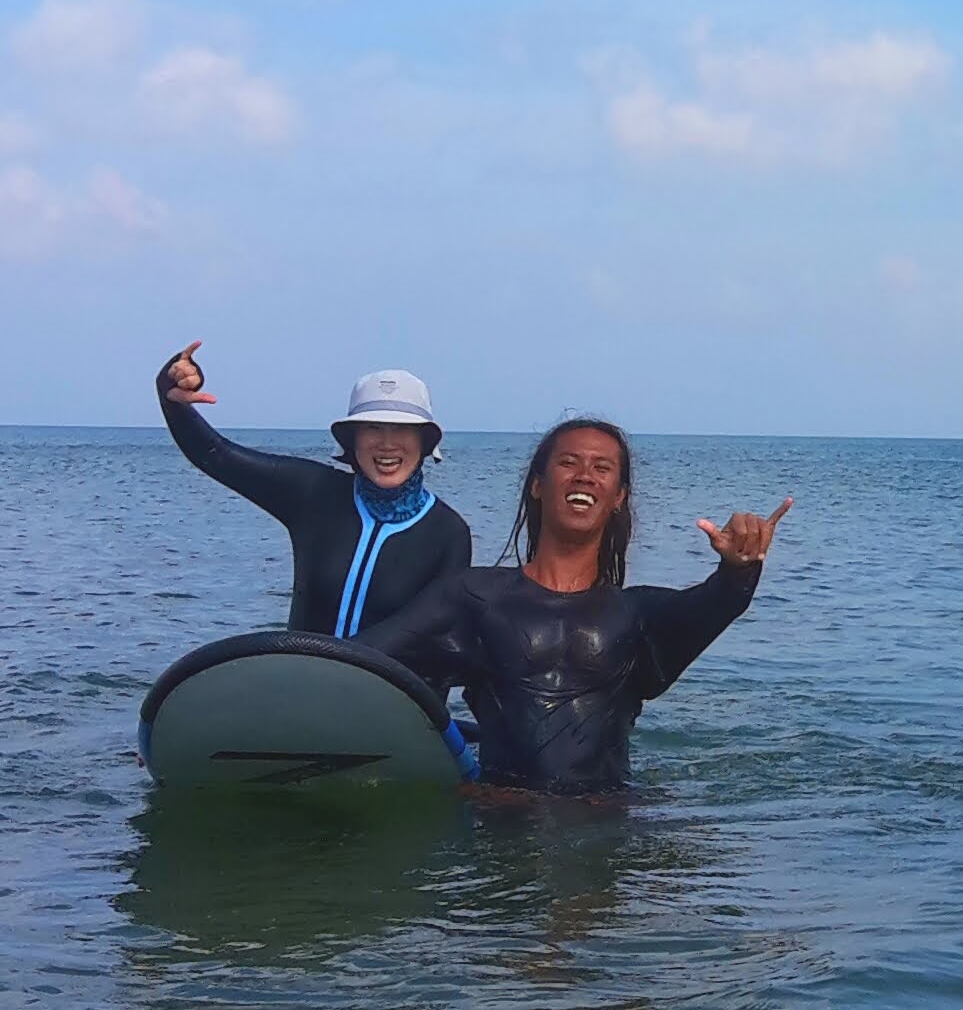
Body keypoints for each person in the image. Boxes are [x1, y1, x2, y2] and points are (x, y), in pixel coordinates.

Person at [357, 418, 790, 794]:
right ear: (538, 485)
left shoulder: (638, 615)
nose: (585, 475)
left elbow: (717, 602)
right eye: (569, 462)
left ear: (618, 497)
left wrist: (740, 568)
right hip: (502, 816)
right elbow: (365, 658)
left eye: (602, 468)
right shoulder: (473, 597)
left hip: (608, 819)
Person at [156, 340, 472, 637]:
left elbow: (444, 643)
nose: (387, 444)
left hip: (385, 696)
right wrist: (171, 393)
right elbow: (215, 454)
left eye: (402, 429)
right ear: (352, 439)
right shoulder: (314, 494)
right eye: (372, 427)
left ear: (425, 441)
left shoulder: (447, 532)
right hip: (300, 689)